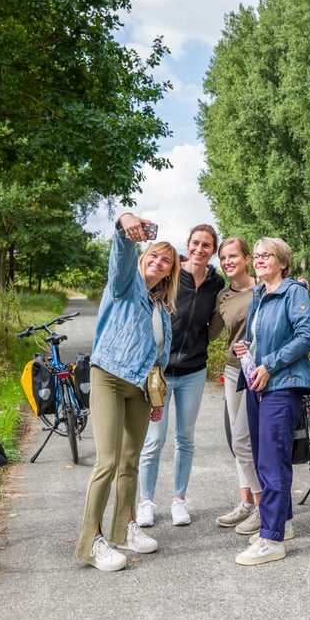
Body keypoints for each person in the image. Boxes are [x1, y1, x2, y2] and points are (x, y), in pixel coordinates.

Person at [75, 212, 179, 572]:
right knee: (107, 462)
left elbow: (159, 358)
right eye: (154, 255)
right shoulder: (125, 283)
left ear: (169, 272)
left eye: (166, 260)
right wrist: (124, 224)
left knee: (131, 461)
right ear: (143, 258)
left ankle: (123, 529)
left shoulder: (161, 309)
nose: (158, 262)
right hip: (108, 376)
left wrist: (157, 399)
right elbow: (120, 252)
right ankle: (91, 543)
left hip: (140, 388)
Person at [233, 237, 310, 566]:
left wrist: (270, 364)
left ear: (283, 262)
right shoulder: (260, 293)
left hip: (282, 384)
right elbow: (260, 336)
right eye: (257, 256)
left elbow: (306, 337)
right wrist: (248, 349)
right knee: (261, 457)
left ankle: (271, 540)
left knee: (271, 461)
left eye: (268, 256)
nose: (260, 260)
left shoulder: (294, 291)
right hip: (258, 382)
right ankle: (284, 522)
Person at [136, 224, 225, 527]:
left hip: (193, 372)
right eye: (196, 244)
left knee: (185, 438)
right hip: (159, 373)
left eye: (207, 246)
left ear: (213, 250)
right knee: (154, 440)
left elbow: (237, 299)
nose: (200, 250)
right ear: (188, 245)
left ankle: (179, 500)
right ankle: (146, 501)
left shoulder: (216, 283)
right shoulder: (172, 275)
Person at [208, 237, 262, 534]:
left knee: (246, 440)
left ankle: (262, 504)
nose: (228, 262)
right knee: (238, 441)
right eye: (223, 258)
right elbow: (210, 332)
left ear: (247, 258)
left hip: (264, 371)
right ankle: (247, 504)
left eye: (233, 256)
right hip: (233, 371)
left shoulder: (265, 286)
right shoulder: (223, 296)